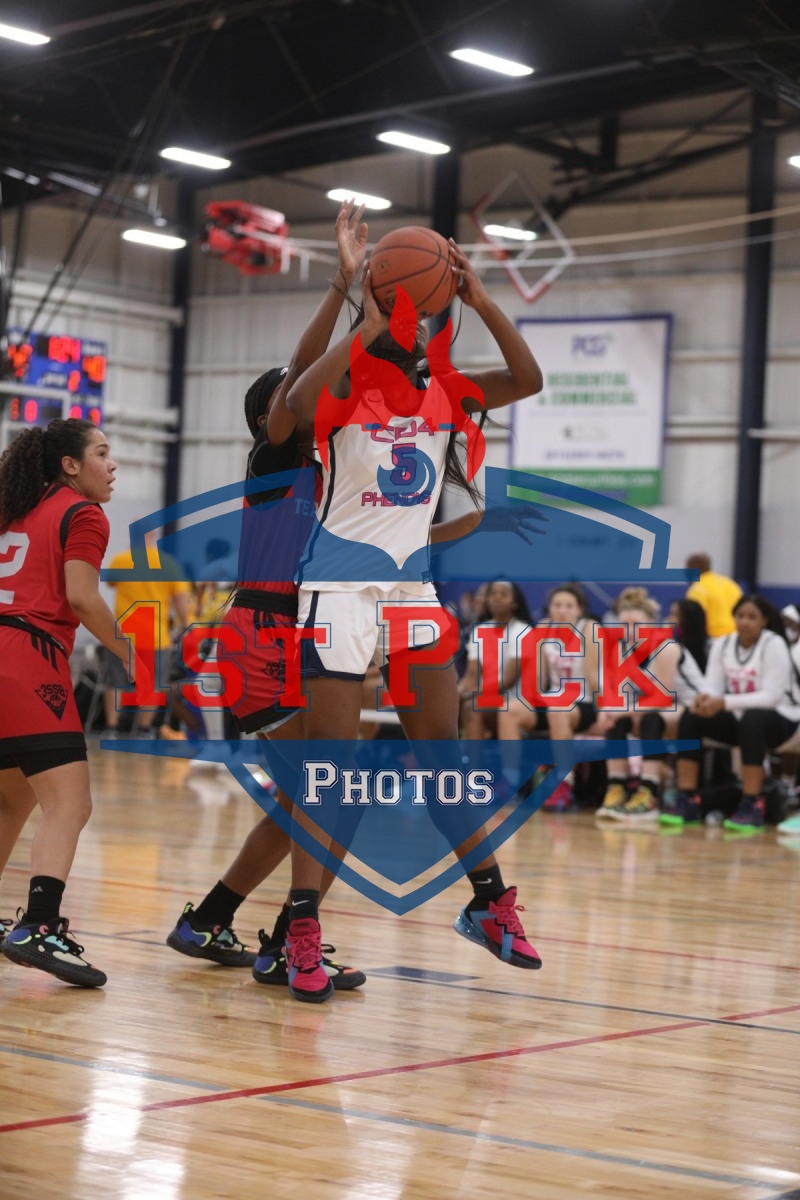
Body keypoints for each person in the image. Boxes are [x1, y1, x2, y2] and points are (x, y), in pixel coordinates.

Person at [285, 239, 545, 983]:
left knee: (443, 760)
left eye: (424, 314)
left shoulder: (446, 395)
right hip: (337, 588)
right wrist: (360, 318)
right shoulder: (341, 392)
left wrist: (480, 299)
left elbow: (527, 379)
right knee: (328, 768)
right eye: (406, 313)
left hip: (411, 592)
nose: (419, 323)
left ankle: (488, 902)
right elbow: (295, 403)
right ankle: (301, 928)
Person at [166, 201, 371, 1002]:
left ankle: (213, 919)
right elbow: (306, 367)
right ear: (271, 412)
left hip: (299, 634)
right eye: (296, 391)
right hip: (263, 633)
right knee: (328, 797)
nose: (319, 391)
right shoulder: (274, 452)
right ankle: (287, 943)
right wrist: (345, 291)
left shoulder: (326, 468)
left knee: (306, 800)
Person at [0, 418, 144, 986]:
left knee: (11, 800)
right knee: (70, 803)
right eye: (102, 453)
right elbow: (82, 598)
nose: (112, 465)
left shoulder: (13, 507)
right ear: (69, 465)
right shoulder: (83, 514)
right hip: (27, 659)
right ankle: (39, 925)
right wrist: (128, 651)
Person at [673, 594, 800, 831]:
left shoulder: (773, 644)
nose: (745, 622)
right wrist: (704, 698)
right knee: (691, 716)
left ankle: (752, 802)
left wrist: (723, 702)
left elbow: (771, 697)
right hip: (742, 718)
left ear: (764, 620)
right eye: (740, 616)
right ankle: (687, 798)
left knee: (753, 718)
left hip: (786, 719)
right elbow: (712, 685)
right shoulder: (723, 644)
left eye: (752, 617)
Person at [594, 587, 704, 822]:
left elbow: (662, 698)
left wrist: (620, 711)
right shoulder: (622, 650)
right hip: (656, 710)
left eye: (636, 625)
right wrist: (608, 710)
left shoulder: (666, 647)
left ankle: (649, 792)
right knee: (616, 719)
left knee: (649, 717)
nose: (629, 631)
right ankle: (616, 787)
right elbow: (618, 693)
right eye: (624, 625)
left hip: (693, 710)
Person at [498, 582, 605, 811]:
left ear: (579, 609)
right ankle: (511, 781)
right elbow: (539, 679)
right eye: (557, 605)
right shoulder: (543, 629)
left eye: (569, 606)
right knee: (509, 710)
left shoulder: (590, 628)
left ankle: (563, 784)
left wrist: (605, 713)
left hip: (585, 702)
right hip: (554, 699)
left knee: (558, 711)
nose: (562, 610)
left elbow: (594, 677)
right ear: (550, 608)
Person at [102, 528, 191, 736]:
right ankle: (144, 729)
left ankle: (111, 728)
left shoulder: (121, 560)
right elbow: (180, 599)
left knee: (114, 681)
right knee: (154, 685)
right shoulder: (168, 563)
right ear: (152, 537)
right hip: (156, 637)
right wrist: (186, 625)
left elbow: (111, 582)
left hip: (122, 634)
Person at [459, 580, 534, 740]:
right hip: (484, 695)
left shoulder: (523, 631)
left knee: (472, 706)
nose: (497, 598)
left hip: (516, 698)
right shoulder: (479, 631)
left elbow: (508, 681)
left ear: (515, 602)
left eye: (503, 594)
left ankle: (473, 757)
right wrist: (459, 692)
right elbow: (471, 676)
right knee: (446, 704)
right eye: (493, 594)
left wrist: (472, 692)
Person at [685, 553, 742, 638]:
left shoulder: (697, 589)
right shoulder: (731, 584)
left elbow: (694, 621)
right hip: (737, 636)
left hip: (713, 637)